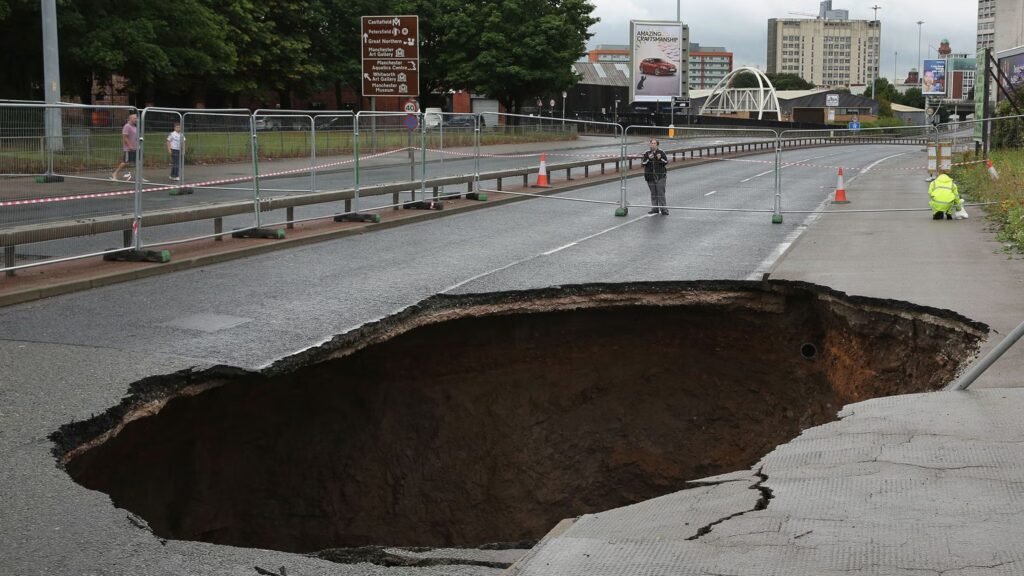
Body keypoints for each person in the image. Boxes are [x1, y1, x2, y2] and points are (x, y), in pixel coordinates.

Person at [641, 138, 669, 215]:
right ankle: (655, 208)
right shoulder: (647, 153)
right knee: (653, 193)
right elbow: (643, 163)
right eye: (651, 143)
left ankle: (664, 209)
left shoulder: (661, 152)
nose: (653, 145)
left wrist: (660, 158)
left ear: (657, 144)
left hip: (660, 176)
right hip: (650, 177)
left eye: (654, 143)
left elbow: (666, 162)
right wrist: (648, 159)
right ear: (650, 144)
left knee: (660, 193)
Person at [111, 113, 139, 181]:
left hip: (135, 147)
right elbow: (125, 137)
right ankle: (114, 173)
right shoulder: (127, 126)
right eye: (135, 118)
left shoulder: (135, 127)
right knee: (125, 162)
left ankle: (139, 177)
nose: (136, 119)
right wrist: (129, 145)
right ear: (130, 119)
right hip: (128, 148)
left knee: (138, 162)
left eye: (136, 118)